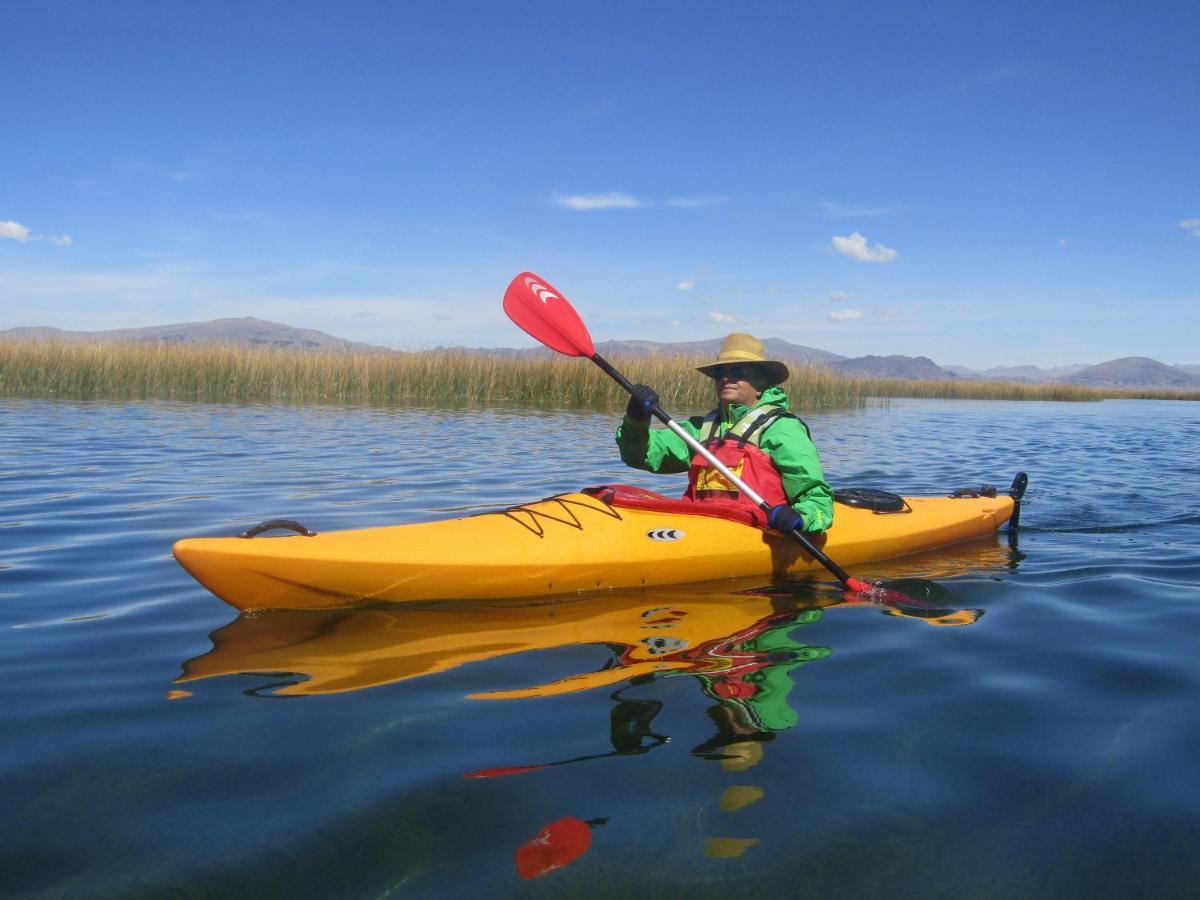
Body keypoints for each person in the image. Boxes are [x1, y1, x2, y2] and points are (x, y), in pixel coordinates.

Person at [615, 333, 834, 534]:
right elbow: (640, 455)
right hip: (701, 527)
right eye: (720, 373)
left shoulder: (782, 428)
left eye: (737, 372)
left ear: (760, 383)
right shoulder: (702, 429)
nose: (725, 379)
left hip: (759, 531)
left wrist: (802, 518)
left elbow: (815, 496)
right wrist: (636, 419)